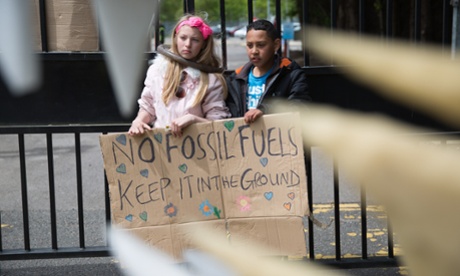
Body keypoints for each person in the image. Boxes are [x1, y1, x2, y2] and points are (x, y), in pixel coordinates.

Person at [129, 15, 230, 137]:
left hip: (197, 148)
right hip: (162, 146)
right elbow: (148, 106)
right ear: (175, 38)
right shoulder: (157, 70)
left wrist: (193, 119)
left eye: (195, 40)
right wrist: (139, 121)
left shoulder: (210, 80)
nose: (188, 44)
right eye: (183, 38)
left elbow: (218, 124)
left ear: (203, 44)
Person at [225, 19, 311, 124]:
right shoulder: (235, 79)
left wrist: (264, 110)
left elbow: (300, 106)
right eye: (249, 45)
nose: (254, 51)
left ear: (276, 45)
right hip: (245, 138)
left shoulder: (290, 73)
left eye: (261, 45)